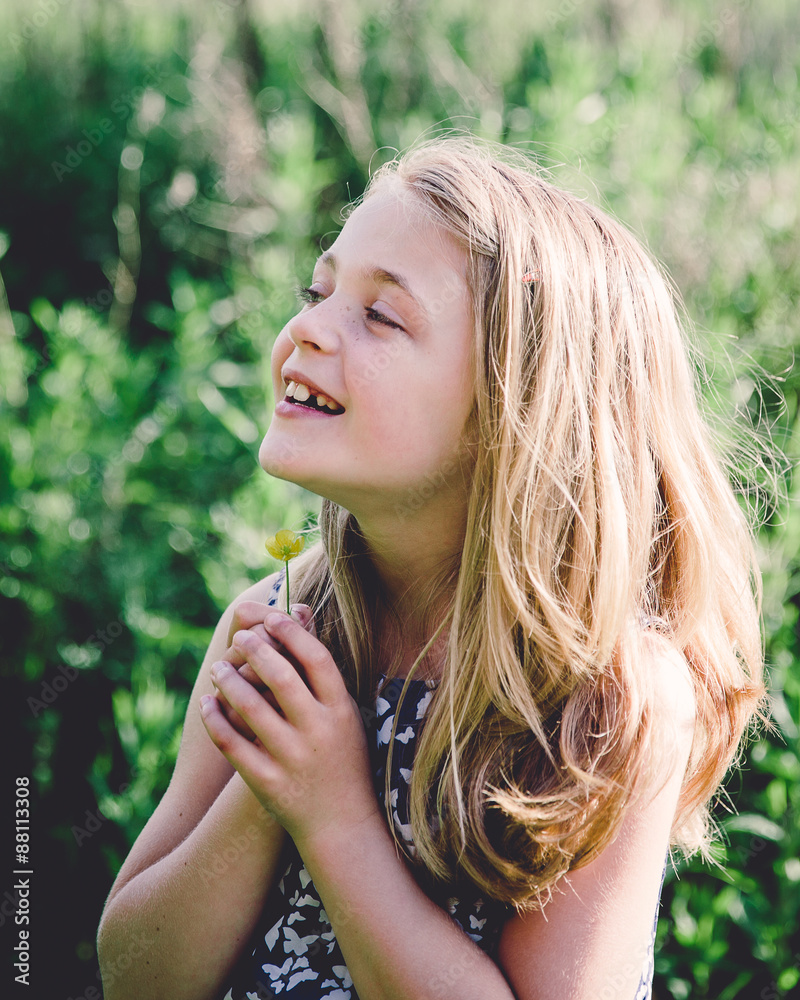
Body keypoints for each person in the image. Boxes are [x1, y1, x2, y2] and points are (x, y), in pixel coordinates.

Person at [97, 135, 765, 1000]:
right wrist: (269, 783)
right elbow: (135, 979)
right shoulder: (279, 627)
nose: (305, 328)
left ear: (514, 407)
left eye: (380, 315)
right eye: (319, 290)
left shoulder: (611, 702)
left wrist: (332, 814)